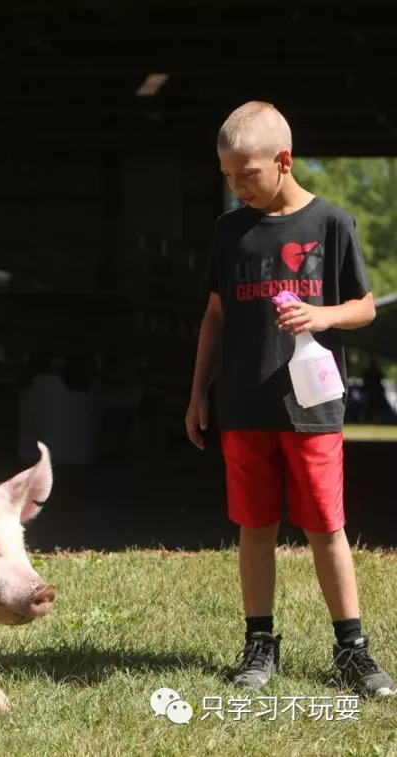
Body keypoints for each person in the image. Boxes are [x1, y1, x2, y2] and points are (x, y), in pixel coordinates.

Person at [185, 101, 393, 697]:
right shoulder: (230, 232)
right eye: (227, 175)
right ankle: (259, 643)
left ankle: (352, 648)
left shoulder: (332, 223)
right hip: (243, 405)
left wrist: (321, 314)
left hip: (313, 408)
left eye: (246, 173)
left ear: (283, 160)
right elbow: (215, 317)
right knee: (255, 526)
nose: (237, 185)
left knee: (326, 525)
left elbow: (364, 307)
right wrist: (199, 393)